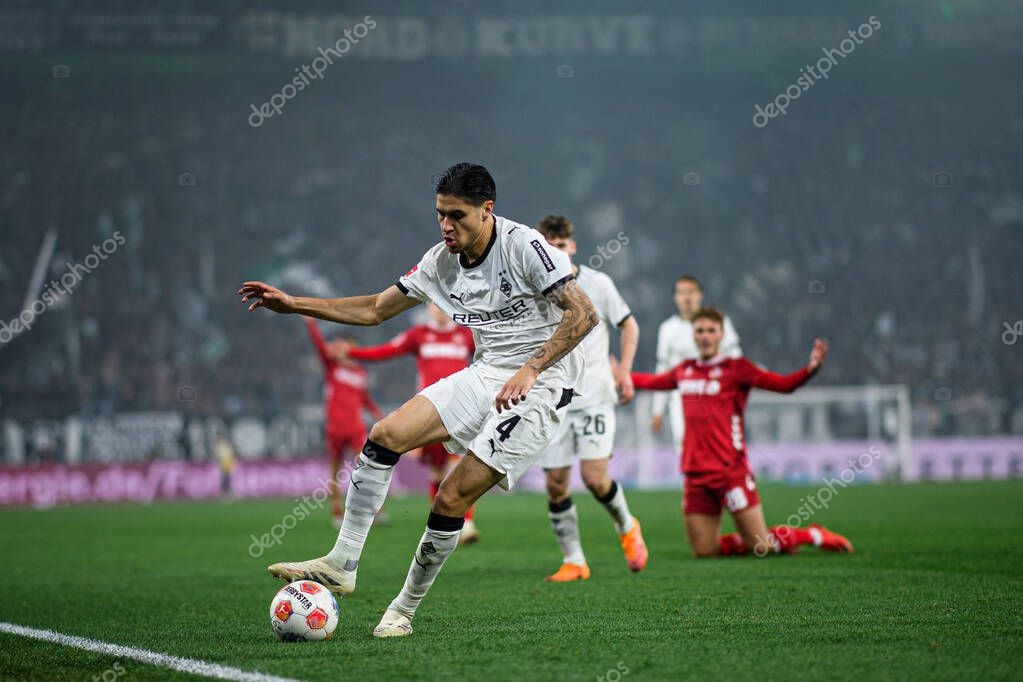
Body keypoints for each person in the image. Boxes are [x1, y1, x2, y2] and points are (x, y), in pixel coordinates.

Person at [239, 162, 598, 637]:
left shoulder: (525, 246)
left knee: (451, 496)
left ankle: (403, 609)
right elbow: (374, 310)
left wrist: (532, 368)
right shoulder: (440, 261)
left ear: (487, 210)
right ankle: (342, 562)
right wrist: (295, 304)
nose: (447, 225)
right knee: (385, 434)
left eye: (458, 215)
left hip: (544, 385)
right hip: (487, 373)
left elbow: (584, 313)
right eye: (439, 215)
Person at [630, 307, 852, 558]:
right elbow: (652, 382)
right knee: (704, 552)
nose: (704, 336)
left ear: (721, 336)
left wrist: (810, 369)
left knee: (761, 547)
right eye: (700, 330)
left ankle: (812, 534)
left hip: (730, 473)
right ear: (694, 336)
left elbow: (783, 385)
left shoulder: (738, 369)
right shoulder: (685, 370)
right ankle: (747, 541)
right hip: (695, 475)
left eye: (711, 331)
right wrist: (622, 376)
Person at [534, 215, 647, 581]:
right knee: (555, 483)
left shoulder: (598, 283)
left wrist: (625, 370)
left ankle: (628, 527)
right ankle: (575, 560)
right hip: (552, 398)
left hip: (595, 394)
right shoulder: (534, 287)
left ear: (573, 246)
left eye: (563, 246)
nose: (558, 254)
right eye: (550, 248)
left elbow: (628, 324)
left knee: (595, 478)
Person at [343, 302, 481, 544]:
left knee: (459, 465)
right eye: (434, 305)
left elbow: (489, 354)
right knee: (438, 471)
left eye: (443, 305)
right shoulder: (418, 336)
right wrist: (353, 353)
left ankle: (466, 524)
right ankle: (441, 524)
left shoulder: (466, 335)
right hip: (430, 414)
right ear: (428, 309)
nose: (439, 310)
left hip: (462, 410)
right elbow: (387, 350)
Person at [304, 318, 384, 527]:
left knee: (366, 467)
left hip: (355, 428)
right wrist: (311, 325)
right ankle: (337, 512)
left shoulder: (360, 373)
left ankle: (373, 510)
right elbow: (320, 347)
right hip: (335, 428)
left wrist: (377, 413)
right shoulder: (332, 367)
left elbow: (364, 398)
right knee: (334, 472)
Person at [651, 276, 742, 454]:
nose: (687, 298)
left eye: (691, 292)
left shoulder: (719, 321)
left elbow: (736, 358)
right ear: (675, 298)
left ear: (700, 295)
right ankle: (692, 482)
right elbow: (662, 370)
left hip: (715, 392)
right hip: (682, 395)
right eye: (682, 293)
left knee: (718, 446)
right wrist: (657, 410)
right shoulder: (667, 329)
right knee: (685, 445)